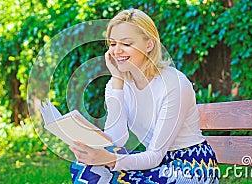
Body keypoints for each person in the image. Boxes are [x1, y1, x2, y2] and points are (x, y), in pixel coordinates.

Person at [69, 8, 219, 183]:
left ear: (149, 44)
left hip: (191, 165)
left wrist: (110, 159)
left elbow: (155, 155)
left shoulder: (174, 83)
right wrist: (117, 82)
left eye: (126, 44)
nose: (117, 51)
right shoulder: (115, 84)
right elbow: (116, 141)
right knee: (83, 168)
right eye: (112, 43)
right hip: (154, 164)